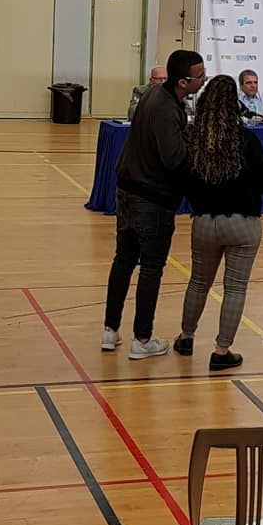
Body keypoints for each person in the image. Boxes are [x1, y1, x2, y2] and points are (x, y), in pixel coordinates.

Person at [102, 50, 205, 360]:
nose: (203, 80)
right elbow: (174, 158)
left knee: (123, 259)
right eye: (200, 76)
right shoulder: (166, 108)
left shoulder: (155, 95)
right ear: (183, 81)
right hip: (150, 196)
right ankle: (142, 338)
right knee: (150, 267)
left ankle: (110, 330)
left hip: (128, 188)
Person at [173, 75, 263, 371]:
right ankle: (221, 350)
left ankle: (186, 337)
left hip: (204, 221)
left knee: (198, 282)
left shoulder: (194, 138)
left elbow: (184, 179)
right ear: (235, 105)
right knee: (235, 288)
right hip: (242, 222)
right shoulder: (246, 139)